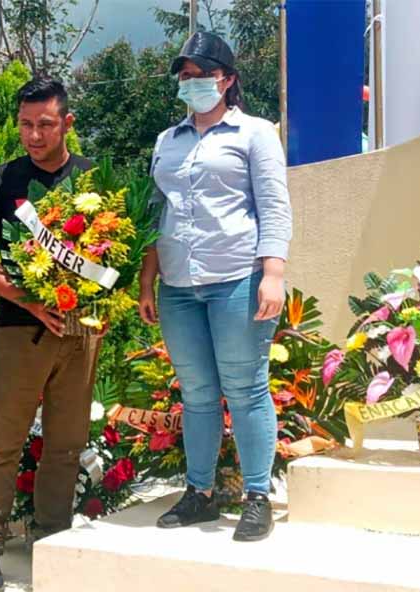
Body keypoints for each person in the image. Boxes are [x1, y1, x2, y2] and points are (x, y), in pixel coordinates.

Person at [138, 32, 292, 543]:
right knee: (198, 394)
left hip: (238, 278)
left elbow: (274, 206)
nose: (192, 83)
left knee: (246, 389)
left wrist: (273, 273)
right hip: (178, 285)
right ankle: (199, 494)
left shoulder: (255, 133)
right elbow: (155, 211)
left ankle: (256, 497)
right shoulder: (167, 140)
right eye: (185, 75)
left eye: (202, 74)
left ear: (226, 80)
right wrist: (147, 279)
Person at [0, 77, 98, 590]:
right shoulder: (2, 181)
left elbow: (116, 253)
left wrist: (104, 300)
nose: (34, 135)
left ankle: (51, 540)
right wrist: (28, 299)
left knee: (66, 444)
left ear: (67, 122)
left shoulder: (92, 178)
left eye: (45, 124)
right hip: (20, 327)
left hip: (81, 329)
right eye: (25, 125)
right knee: (2, 442)